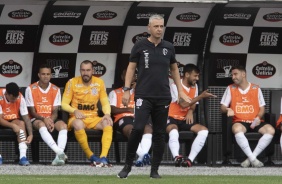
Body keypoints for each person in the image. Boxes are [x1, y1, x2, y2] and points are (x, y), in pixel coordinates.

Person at [117, 14, 190, 179]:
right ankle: (127, 166)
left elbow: (174, 70)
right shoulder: (140, 45)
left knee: (159, 133)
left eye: (161, 26)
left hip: (163, 96)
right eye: (156, 26)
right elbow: (130, 68)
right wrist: (127, 90)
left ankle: (154, 170)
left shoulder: (169, 47)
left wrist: (180, 91)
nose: (159, 29)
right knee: (137, 129)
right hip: (143, 95)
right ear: (148, 28)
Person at [220, 65, 274, 168]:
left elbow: (262, 108)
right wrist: (227, 109)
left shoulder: (255, 88)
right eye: (232, 75)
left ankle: (250, 158)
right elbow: (222, 107)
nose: (233, 77)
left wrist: (258, 117)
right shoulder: (230, 88)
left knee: (271, 130)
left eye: (235, 74)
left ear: (243, 74)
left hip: (255, 121)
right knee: (236, 128)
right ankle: (253, 159)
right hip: (240, 121)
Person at [61, 60, 113, 167]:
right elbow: (64, 104)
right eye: (83, 70)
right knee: (78, 124)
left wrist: (107, 114)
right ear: (80, 71)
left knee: (108, 123)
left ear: (92, 71)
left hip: (94, 117)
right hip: (77, 118)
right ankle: (91, 156)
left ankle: (103, 157)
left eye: (88, 70)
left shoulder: (99, 82)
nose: (86, 73)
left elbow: (105, 102)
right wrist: (74, 111)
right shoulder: (72, 82)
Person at [167, 64, 216, 167]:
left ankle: (189, 160)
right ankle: (177, 157)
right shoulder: (175, 85)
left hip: (185, 119)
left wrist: (190, 111)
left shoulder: (195, 86)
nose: (197, 79)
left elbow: (193, 105)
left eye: (198, 76)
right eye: (195, 76)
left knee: (203, 130)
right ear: (187, 74)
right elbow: (183, 104)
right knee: (174, 131)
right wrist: (201, 96)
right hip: (171, 117)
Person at [25, 64, 67, 166]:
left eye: (48, 74)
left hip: (50, 118)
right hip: (36, 119)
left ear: (51, 75)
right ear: (39, 75)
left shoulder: (56, 89)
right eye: (43, 74)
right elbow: (32, 111)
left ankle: (58, 157)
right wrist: (45, 119)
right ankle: (59, 151)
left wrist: (50, 120)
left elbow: (55, 111)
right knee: (41, 124)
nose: (45, 76)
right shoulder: (30, 89)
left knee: (63, 126)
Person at [109, 69, 152, 167]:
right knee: (132, 131)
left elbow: (148, 106)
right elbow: (112, 110)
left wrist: (139, 90)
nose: (130, 77)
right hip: (122, 118)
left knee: (148, 129)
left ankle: (142, 158)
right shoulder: (115, 92)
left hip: (138, 118)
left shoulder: (140, 92)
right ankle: (143, 155)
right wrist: (128, 110)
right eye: (127, 75)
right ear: (123, 77)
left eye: (133, 75)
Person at [0, 82, 33, 165]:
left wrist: (31, 134)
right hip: (1, 120)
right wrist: (12, 125)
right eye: (12, 98)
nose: (15, 100)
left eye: (16, 97)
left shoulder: (20, 97)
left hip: (12, 119)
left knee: (21, 123)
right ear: (6, 94)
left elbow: (26, 117)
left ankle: (23, 157)